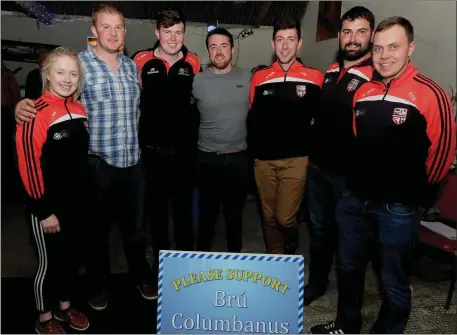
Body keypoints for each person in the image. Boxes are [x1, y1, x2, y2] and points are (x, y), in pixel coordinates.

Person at [311, 16, 456, 334]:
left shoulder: (430, 93)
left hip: (399, 208)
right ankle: (347, 325)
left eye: (394, 46)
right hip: (355, 201)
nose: (385, 55)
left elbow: (442, 156)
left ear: (410, 48)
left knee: (393, 279)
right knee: (348, 269)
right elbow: (356, 141)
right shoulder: (363, 92)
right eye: (378, 48)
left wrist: (412, 196)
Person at [14, 4, 154, 311]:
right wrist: (22, 106)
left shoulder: (132, 67)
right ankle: (97, 285)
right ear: (94, 30)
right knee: (96, 233)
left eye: (118, 27)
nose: (113, 33)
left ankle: (141, 276)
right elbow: (49, 97)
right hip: (97, 165)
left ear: (124, 32)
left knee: (136, 230)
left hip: (133, 163)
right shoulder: (80, 65)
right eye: (106, 27)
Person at [304, 6, 379, 305]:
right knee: (319, 234)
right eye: (347, 32)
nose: (353, 38)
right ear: (339, 36)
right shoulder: (332, 72)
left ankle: (349, 310)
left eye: (361, 32)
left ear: (371, 35)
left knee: (351, 244)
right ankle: (318, 283)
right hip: (318, 170)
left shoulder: (375, 75)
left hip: (349, 178)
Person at [16, 47, 90, 334]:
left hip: (74, 204)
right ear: (47, 74)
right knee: (47, 266)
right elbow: (28, 166)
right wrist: (43, 211)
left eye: (73, 73)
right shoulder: (35, 112)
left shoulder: (80, 109)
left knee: (69, 260)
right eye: (60, 71)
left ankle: (63, 307)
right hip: (45, 207)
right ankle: (43, 318)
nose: (67, 78)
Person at [131, 9, 200, 284]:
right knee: (156, 215)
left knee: (184, 214)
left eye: (178, 32)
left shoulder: (193, 62)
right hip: (152, 153)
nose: (173, 38)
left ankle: (184, 267)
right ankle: (161, 266)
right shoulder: (140, 60)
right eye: (167, 32)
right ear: (157, 32)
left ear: (184, 33)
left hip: (184, 153)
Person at [247, 17, 324, 255]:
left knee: (285, 218)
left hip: (296, 160)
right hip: (263, 160)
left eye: (291, 40)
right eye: (280, 40)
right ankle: (276, 260)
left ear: (300, 43)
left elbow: (320, 119)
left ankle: (291, 243)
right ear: (272, 44)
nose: (285, 46)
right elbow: (253, 113)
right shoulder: (260, 77)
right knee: (269, 217)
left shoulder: (315, 77)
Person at [193, 28, 251, 253]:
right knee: (206, 217)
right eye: (213, 46)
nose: (218, 51)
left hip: (238, 159)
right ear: (208, 51)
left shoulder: (247, 78)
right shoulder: (197, 80)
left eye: (224, 46)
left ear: (232, 49)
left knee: (234, 217)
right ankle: (202, 262)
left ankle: (234, 262)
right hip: (207, 160)